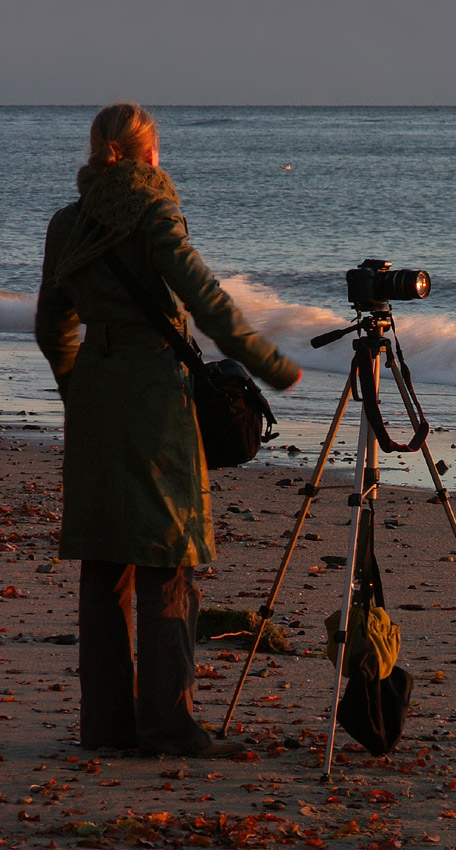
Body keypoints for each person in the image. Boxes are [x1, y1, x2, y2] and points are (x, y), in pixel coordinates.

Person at [36, 102, 301, 758]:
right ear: (150, 154)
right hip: (154, 395)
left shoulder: (68, 224)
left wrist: (79, 388)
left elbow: (52, 324)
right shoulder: (154, 212)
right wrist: (272, 366)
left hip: (97, 394)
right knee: (170, 558)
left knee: (105, 562)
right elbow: (207, 300)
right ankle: (170, 726)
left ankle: (105, 727)